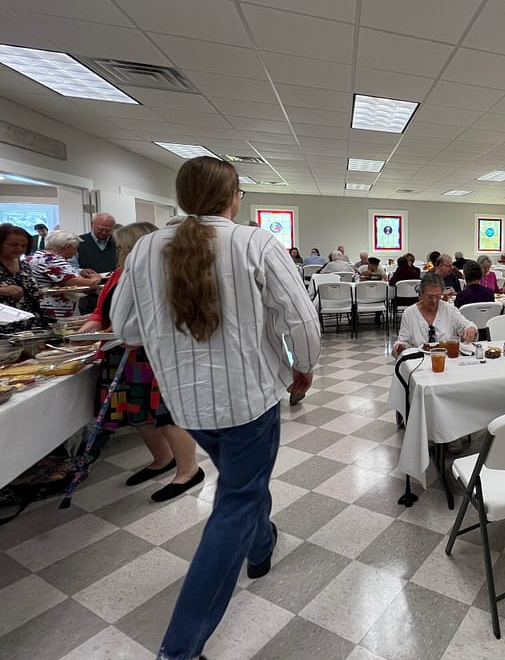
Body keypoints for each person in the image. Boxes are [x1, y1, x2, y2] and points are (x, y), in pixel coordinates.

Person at [111, 157, 320, 660]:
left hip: (187, 403)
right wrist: (304, 366)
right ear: (234, 197)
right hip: (249, 399)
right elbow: (300, 319)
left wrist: (174, 338)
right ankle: (180, 648)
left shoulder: (146, 249)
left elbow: (126, 328)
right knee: (236, 502)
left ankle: (262, 544)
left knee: (241, 484)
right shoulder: (255, 242)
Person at [78, 222, 203, 502]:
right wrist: (94, 323)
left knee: (167, 414)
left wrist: (134, 333)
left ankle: (189, 470)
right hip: (121, 352)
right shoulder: (120, 273)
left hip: (157, 354)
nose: (120, 252)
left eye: (124, 247)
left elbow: (177, 318)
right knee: (137, 411)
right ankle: (162, 459)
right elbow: (103, 308)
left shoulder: (167, 275)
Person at [392, 273, 477, 357]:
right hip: (419, 360)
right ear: (421, 294)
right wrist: (400, 346)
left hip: (448, 359)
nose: (434, 301)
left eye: (438, 296)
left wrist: (470, 329)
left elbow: (467, 325)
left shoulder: (449, 310)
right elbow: (403, 341)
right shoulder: (409, 313)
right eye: (430, 297)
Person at [26, 229, 102, 318]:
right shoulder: (52, 260)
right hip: (51, 310)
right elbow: (78, 282)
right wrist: (96, 279)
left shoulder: (34, 257)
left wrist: (80, 272)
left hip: (35, 307)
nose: (76, 252)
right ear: (67, 247)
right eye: (76, 248)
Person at [0, 223, 47, 332]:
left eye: (23, 245)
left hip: (31, 325)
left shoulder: (24, 265)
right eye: (13, 245)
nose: (19, 249)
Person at [73, 212, 117, 314]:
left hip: (114, 294)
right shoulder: (79, 242)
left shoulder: (117, 242)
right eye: (100, 229)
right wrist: (81, 271)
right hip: (89, 296)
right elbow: (71, 267)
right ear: (92, 224)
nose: (104, 233)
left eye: (108, 230)